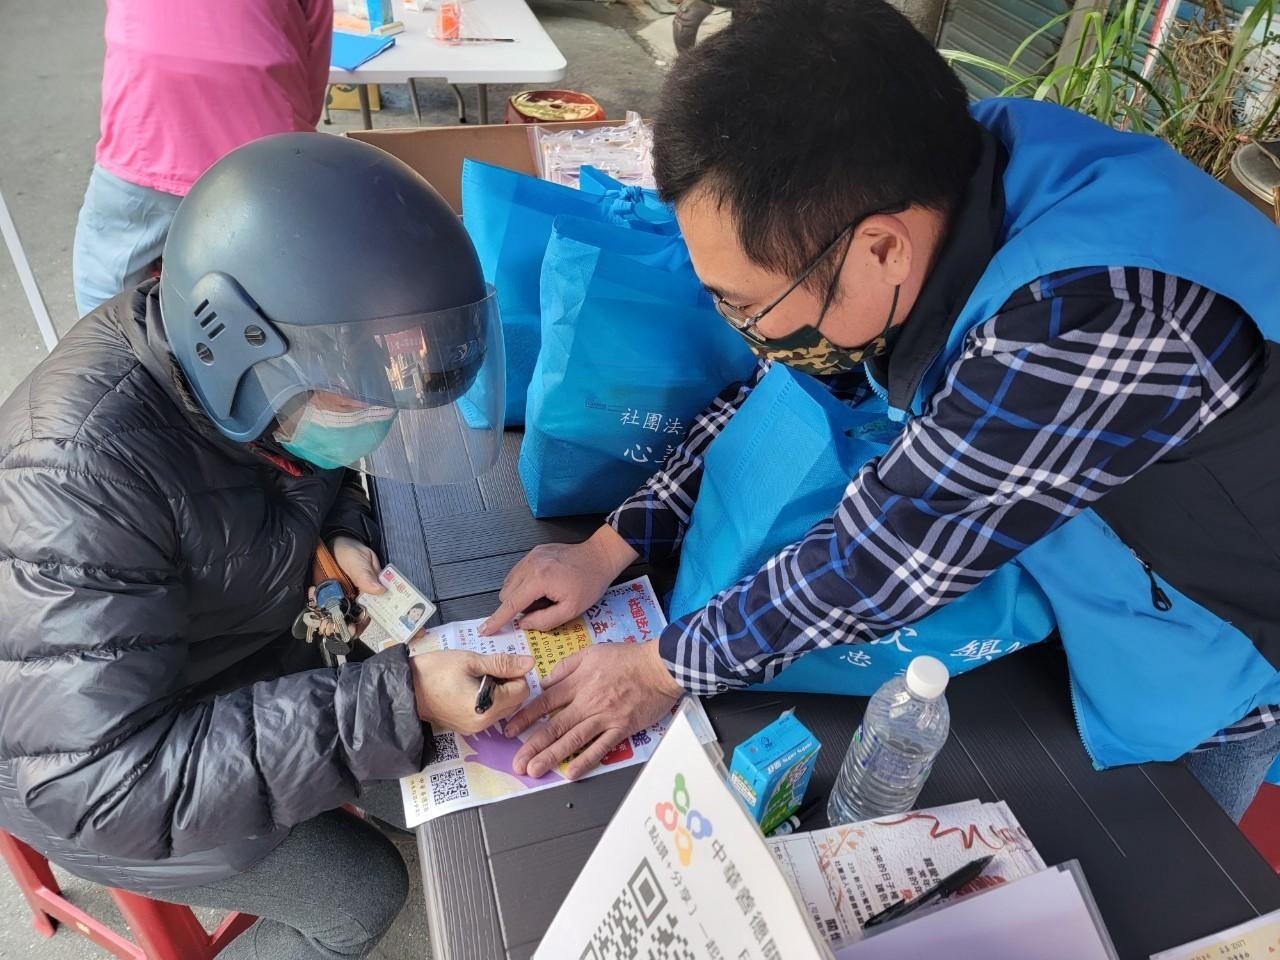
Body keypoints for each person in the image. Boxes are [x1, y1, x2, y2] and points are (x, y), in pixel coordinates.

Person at [481, 0, 1280, 823]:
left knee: (1167, 861)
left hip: (1213, 644)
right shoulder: (934, 175)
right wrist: (612, 546)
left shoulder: (1086, 319)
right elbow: (784, 390)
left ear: (883, 249)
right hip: (1076, 574)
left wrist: (656, 670)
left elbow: (887, 554)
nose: (746, 331)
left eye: (748, 304)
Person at [0, 133, 525, 959]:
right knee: (360, 894)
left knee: (441, 775)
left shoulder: (251, 385)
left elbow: (312, 467)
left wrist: (341, 533)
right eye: (358, 394)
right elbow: (100, 786)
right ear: (238, 350)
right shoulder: (73, 480)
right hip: (95, 768)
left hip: (235, 648)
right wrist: (396, 701)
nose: (375, 416)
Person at [72, 0, 333, 317]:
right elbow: (314, 62)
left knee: (104, 289)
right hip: (265, 150)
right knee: (283, 289)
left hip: (146, 140)